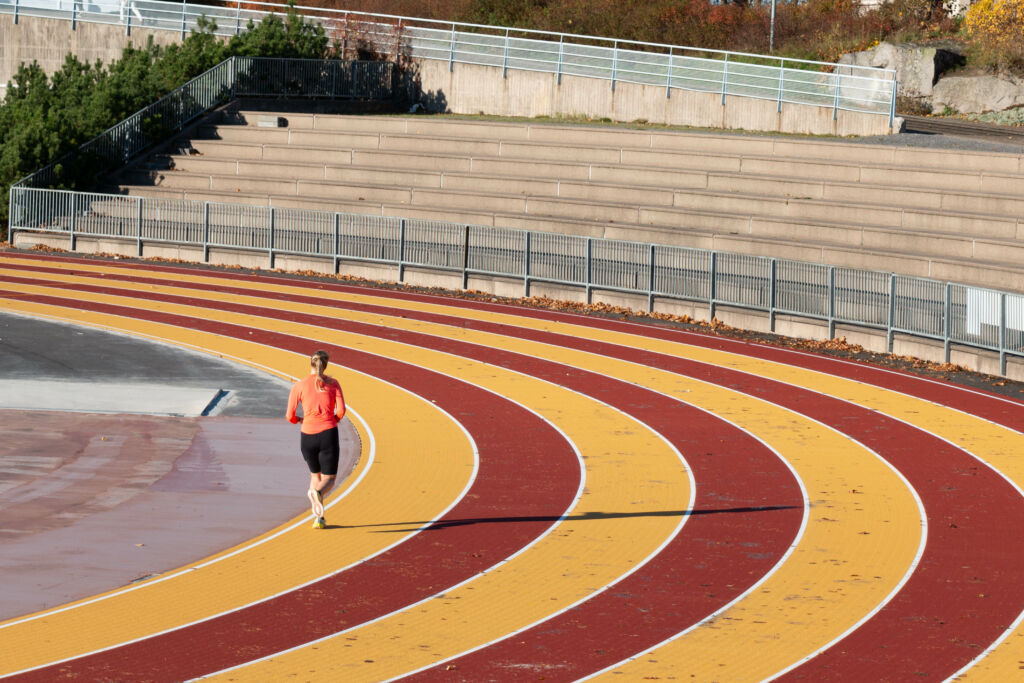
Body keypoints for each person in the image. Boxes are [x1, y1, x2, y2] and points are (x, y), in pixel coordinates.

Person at [286, 350, 346, 529]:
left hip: (307, 436)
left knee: (315, 475)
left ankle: (319, 518)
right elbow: (341, 411)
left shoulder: (299, 385)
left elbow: (289, 415)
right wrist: (331, 421)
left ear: (310, 364)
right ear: (325, 365)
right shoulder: (333, 384)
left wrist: (301, 420)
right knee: (329, 478)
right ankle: (317, 493)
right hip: (328, 433)